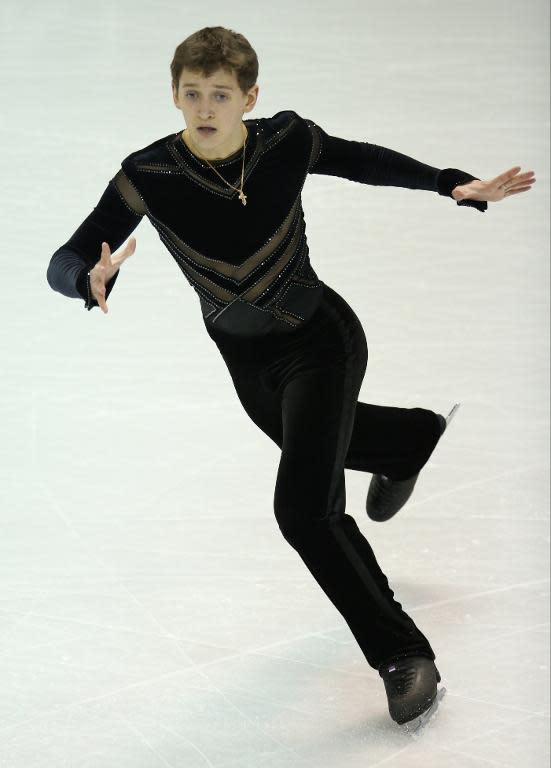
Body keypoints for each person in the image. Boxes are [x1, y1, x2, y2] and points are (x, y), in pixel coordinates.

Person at [46, 26, 536, 730]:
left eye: (220, 94)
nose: (205, 108)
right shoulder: (146, 175)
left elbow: (359, 160)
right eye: (191, 95)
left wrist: (447, 182)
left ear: (249, 96)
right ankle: (406, 442)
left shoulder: (285, 142)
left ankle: (403, 656)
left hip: (322, 343)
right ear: (174, 96)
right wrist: (82, 279)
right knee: (325, 448)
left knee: (303, 510)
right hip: (248, 367)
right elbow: (68, 253)